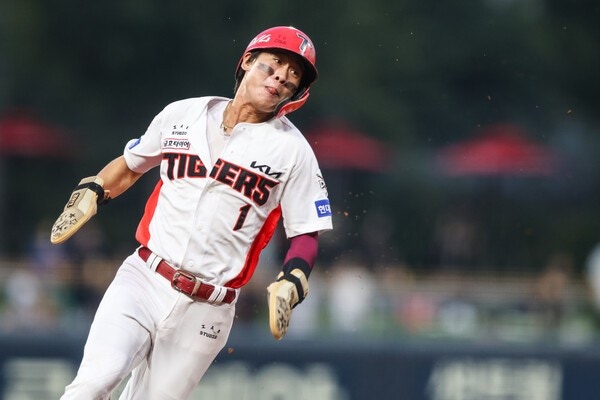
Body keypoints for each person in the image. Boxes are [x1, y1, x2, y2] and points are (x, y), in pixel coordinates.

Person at [50, 26, 333, 400]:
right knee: (92, 384)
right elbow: (132, 164)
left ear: (296, 92)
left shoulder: (293, 151)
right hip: (144, 278)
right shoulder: (182, 113)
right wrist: (96, 188)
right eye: (275, 63)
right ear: (248, 61)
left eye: (294, 74)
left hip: (209, 308)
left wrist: (293, 277)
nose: (282, 76)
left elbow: (306, 232)